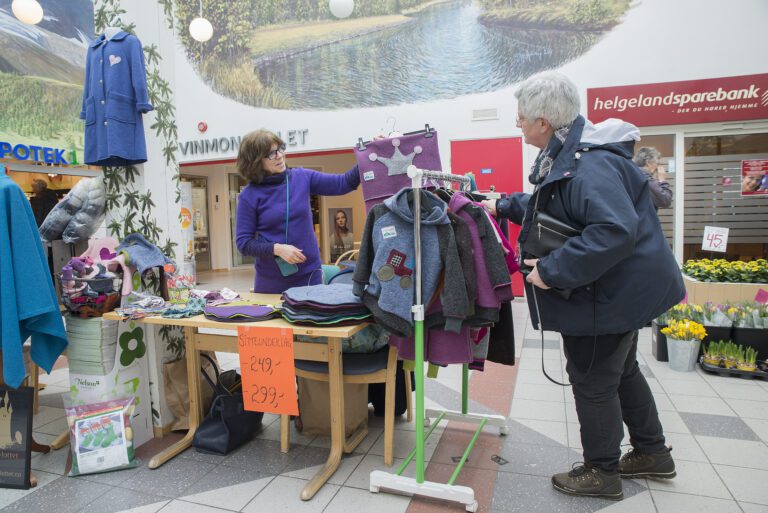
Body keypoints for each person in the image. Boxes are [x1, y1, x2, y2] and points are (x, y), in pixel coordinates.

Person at [482, 72, 684, 501]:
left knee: (592, 380)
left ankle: (601, 472)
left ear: (543, 122)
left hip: (612, 294)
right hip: (622, 288)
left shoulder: (589, 164)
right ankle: (652, 452)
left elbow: (612, 231)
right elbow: (553, 204)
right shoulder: (572, 155)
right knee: (622, 370)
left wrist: (551, 271)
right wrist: (502, 203)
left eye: (520, 118)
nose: (516, 125)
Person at [235, 129, 361, 293]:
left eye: (280, 149)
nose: (279, 155)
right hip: (271, 283)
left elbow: (343, 183)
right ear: (256, 161)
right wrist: (277, 249)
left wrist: (370, 154)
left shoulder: (302, 177)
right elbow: (244, 243)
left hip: (309, 277)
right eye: (271, 154)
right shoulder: (249, 195)